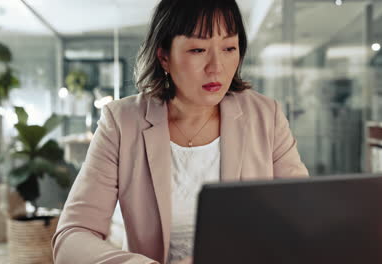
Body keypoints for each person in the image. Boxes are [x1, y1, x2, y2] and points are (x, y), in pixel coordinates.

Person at [52, 0, 309, 263]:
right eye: (198, 49)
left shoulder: (266, 116)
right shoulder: (121, 123)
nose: (216, 66)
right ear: (164, 56)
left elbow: (305, 216)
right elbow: (72, 236)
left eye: (229, 48)